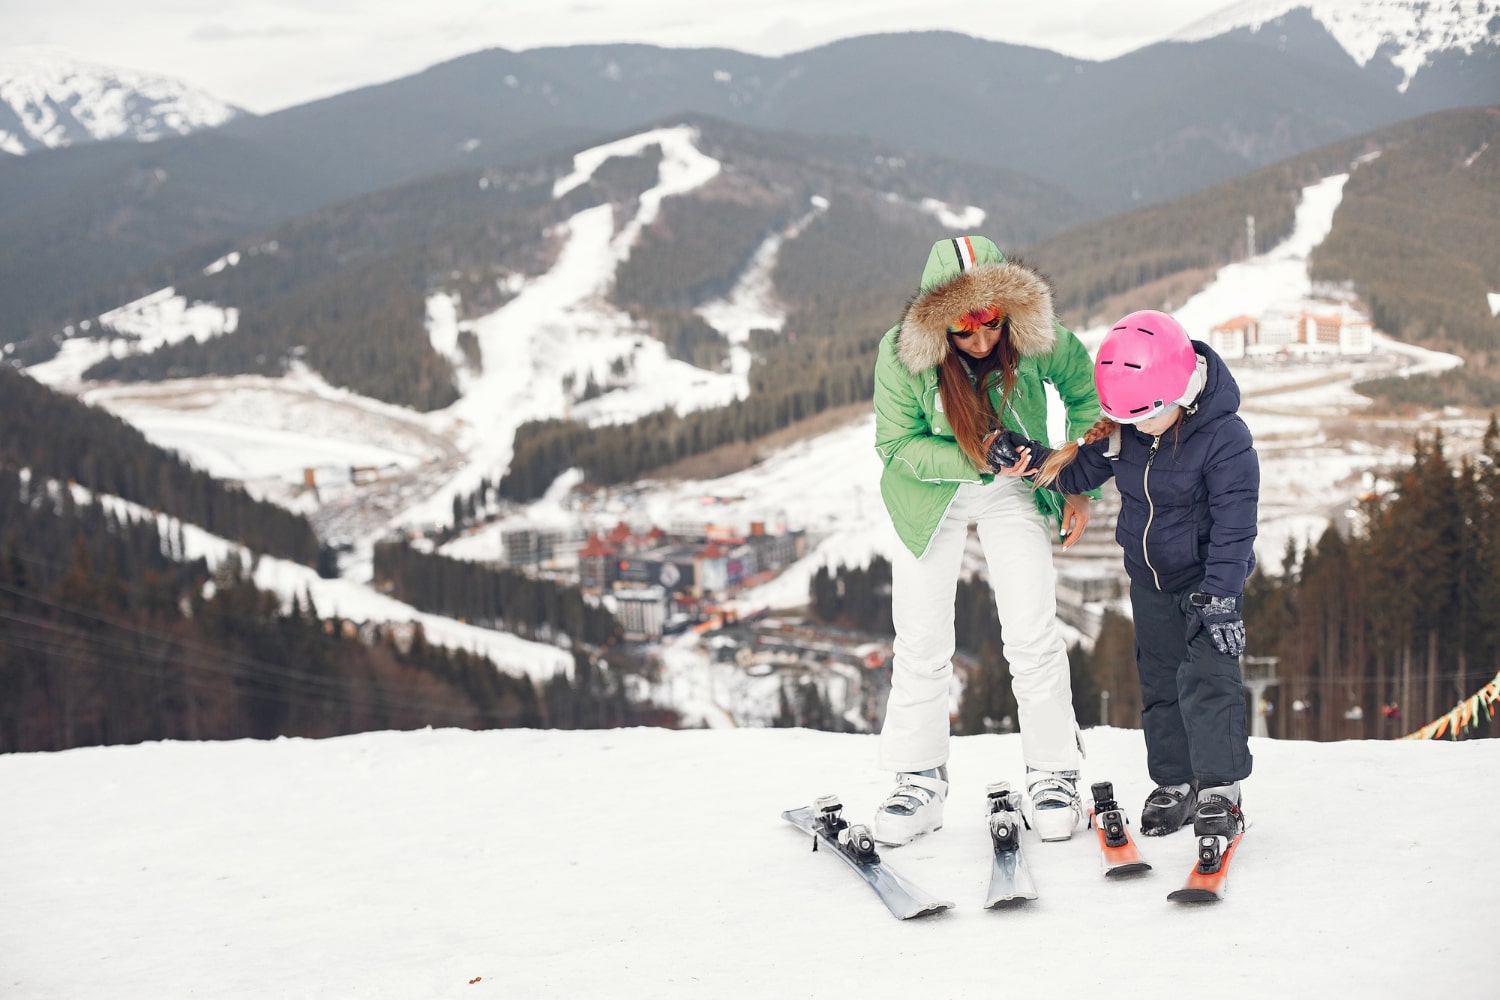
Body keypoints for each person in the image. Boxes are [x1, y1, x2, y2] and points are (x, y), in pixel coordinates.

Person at [990, 309, 1258, 841]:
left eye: (1148, 417)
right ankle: (1176, 784)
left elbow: (1236, 524)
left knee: (1209, 683)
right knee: (1160, 683)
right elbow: (1078, 469)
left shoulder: (1225, 438)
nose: (1138, 428)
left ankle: (1221, 791)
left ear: (1180, 390)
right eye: (1129, 419)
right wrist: (1026, 454)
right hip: (1151, 581)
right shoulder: (1129, 430)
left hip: (1208, 587)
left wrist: (1223, 595)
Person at [871, 235, 1102, 845]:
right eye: (963, 331)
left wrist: (1076, 484)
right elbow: (896, 447)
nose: (980, 342)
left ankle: (1054, 773)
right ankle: (917, 778)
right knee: (921, 639)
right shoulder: (901, 356)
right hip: (931, 494)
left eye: (991, 325)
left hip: (1013, 487)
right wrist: (974, 453)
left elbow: (1088, 397)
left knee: (1032, 630)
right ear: (937, 324)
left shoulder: (1032, 338)